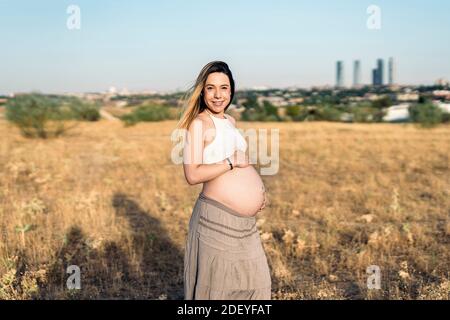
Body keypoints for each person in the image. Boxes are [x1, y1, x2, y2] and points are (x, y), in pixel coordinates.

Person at [177, 61, 271, 300]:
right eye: (210, 88)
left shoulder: (230, 122)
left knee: (255, 283)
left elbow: (242, 162)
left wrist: (259, 192)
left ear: (231, 91)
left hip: (244, 223)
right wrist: (229, 162)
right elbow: (192, 174)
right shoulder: (199, 124)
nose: (218, 95)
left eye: (224, 88)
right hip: (216, 218)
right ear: (203, 91)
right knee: (219, 288)